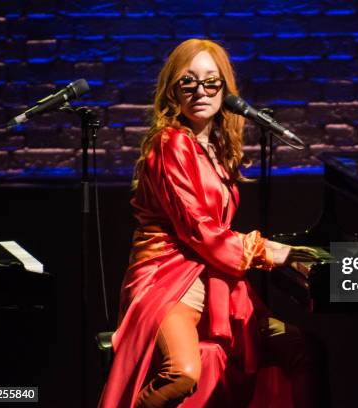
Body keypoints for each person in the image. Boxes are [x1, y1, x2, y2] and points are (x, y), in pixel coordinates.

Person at [98, 39, 325, 408]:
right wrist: (270, 251)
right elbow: (199, 228)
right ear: (173, 91)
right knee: (182, 373)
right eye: (188, 83)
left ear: (225, 90)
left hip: (217, 279)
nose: (200, 92)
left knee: (303, 349)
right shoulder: (169, 144)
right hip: (168, 280)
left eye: (211, 82)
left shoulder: (217, 148)